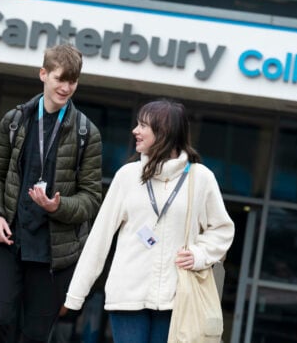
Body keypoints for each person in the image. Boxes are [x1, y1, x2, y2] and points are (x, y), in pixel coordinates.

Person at [63, 99, 234, 343]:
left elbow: (222, 230)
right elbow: (99, 238)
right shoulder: (128, 176)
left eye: (143, 126)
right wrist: (76, 295)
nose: (135, 131)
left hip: (177, 299)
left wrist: (199, 254)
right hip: (127, 296)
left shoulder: (201, 178)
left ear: (164, 132)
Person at [0, 43, 103, 343]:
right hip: (9, 242)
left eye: (72, 81)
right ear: (43, 74)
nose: (66, 87)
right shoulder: (15, 120)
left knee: (35, 335)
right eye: (60, 79)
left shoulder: (88, 133)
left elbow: (90, 200)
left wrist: (56, 207)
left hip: (53, 255)